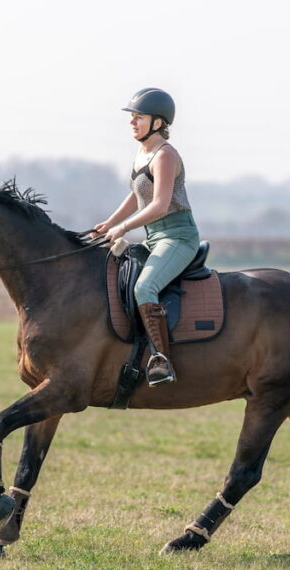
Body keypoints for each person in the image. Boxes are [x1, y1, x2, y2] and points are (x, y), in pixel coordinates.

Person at [94, 88, 201, 387]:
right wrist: (108, 224)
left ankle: (161, 360)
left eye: (138, 117)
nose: (132, 122)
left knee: (145, 287)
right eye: (132, 117)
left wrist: (124, 229)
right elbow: (137, 195)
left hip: (178, 237)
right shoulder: (143, 153)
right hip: (154, 237)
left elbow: (159, 205)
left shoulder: (165, 155)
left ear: (158, 122)